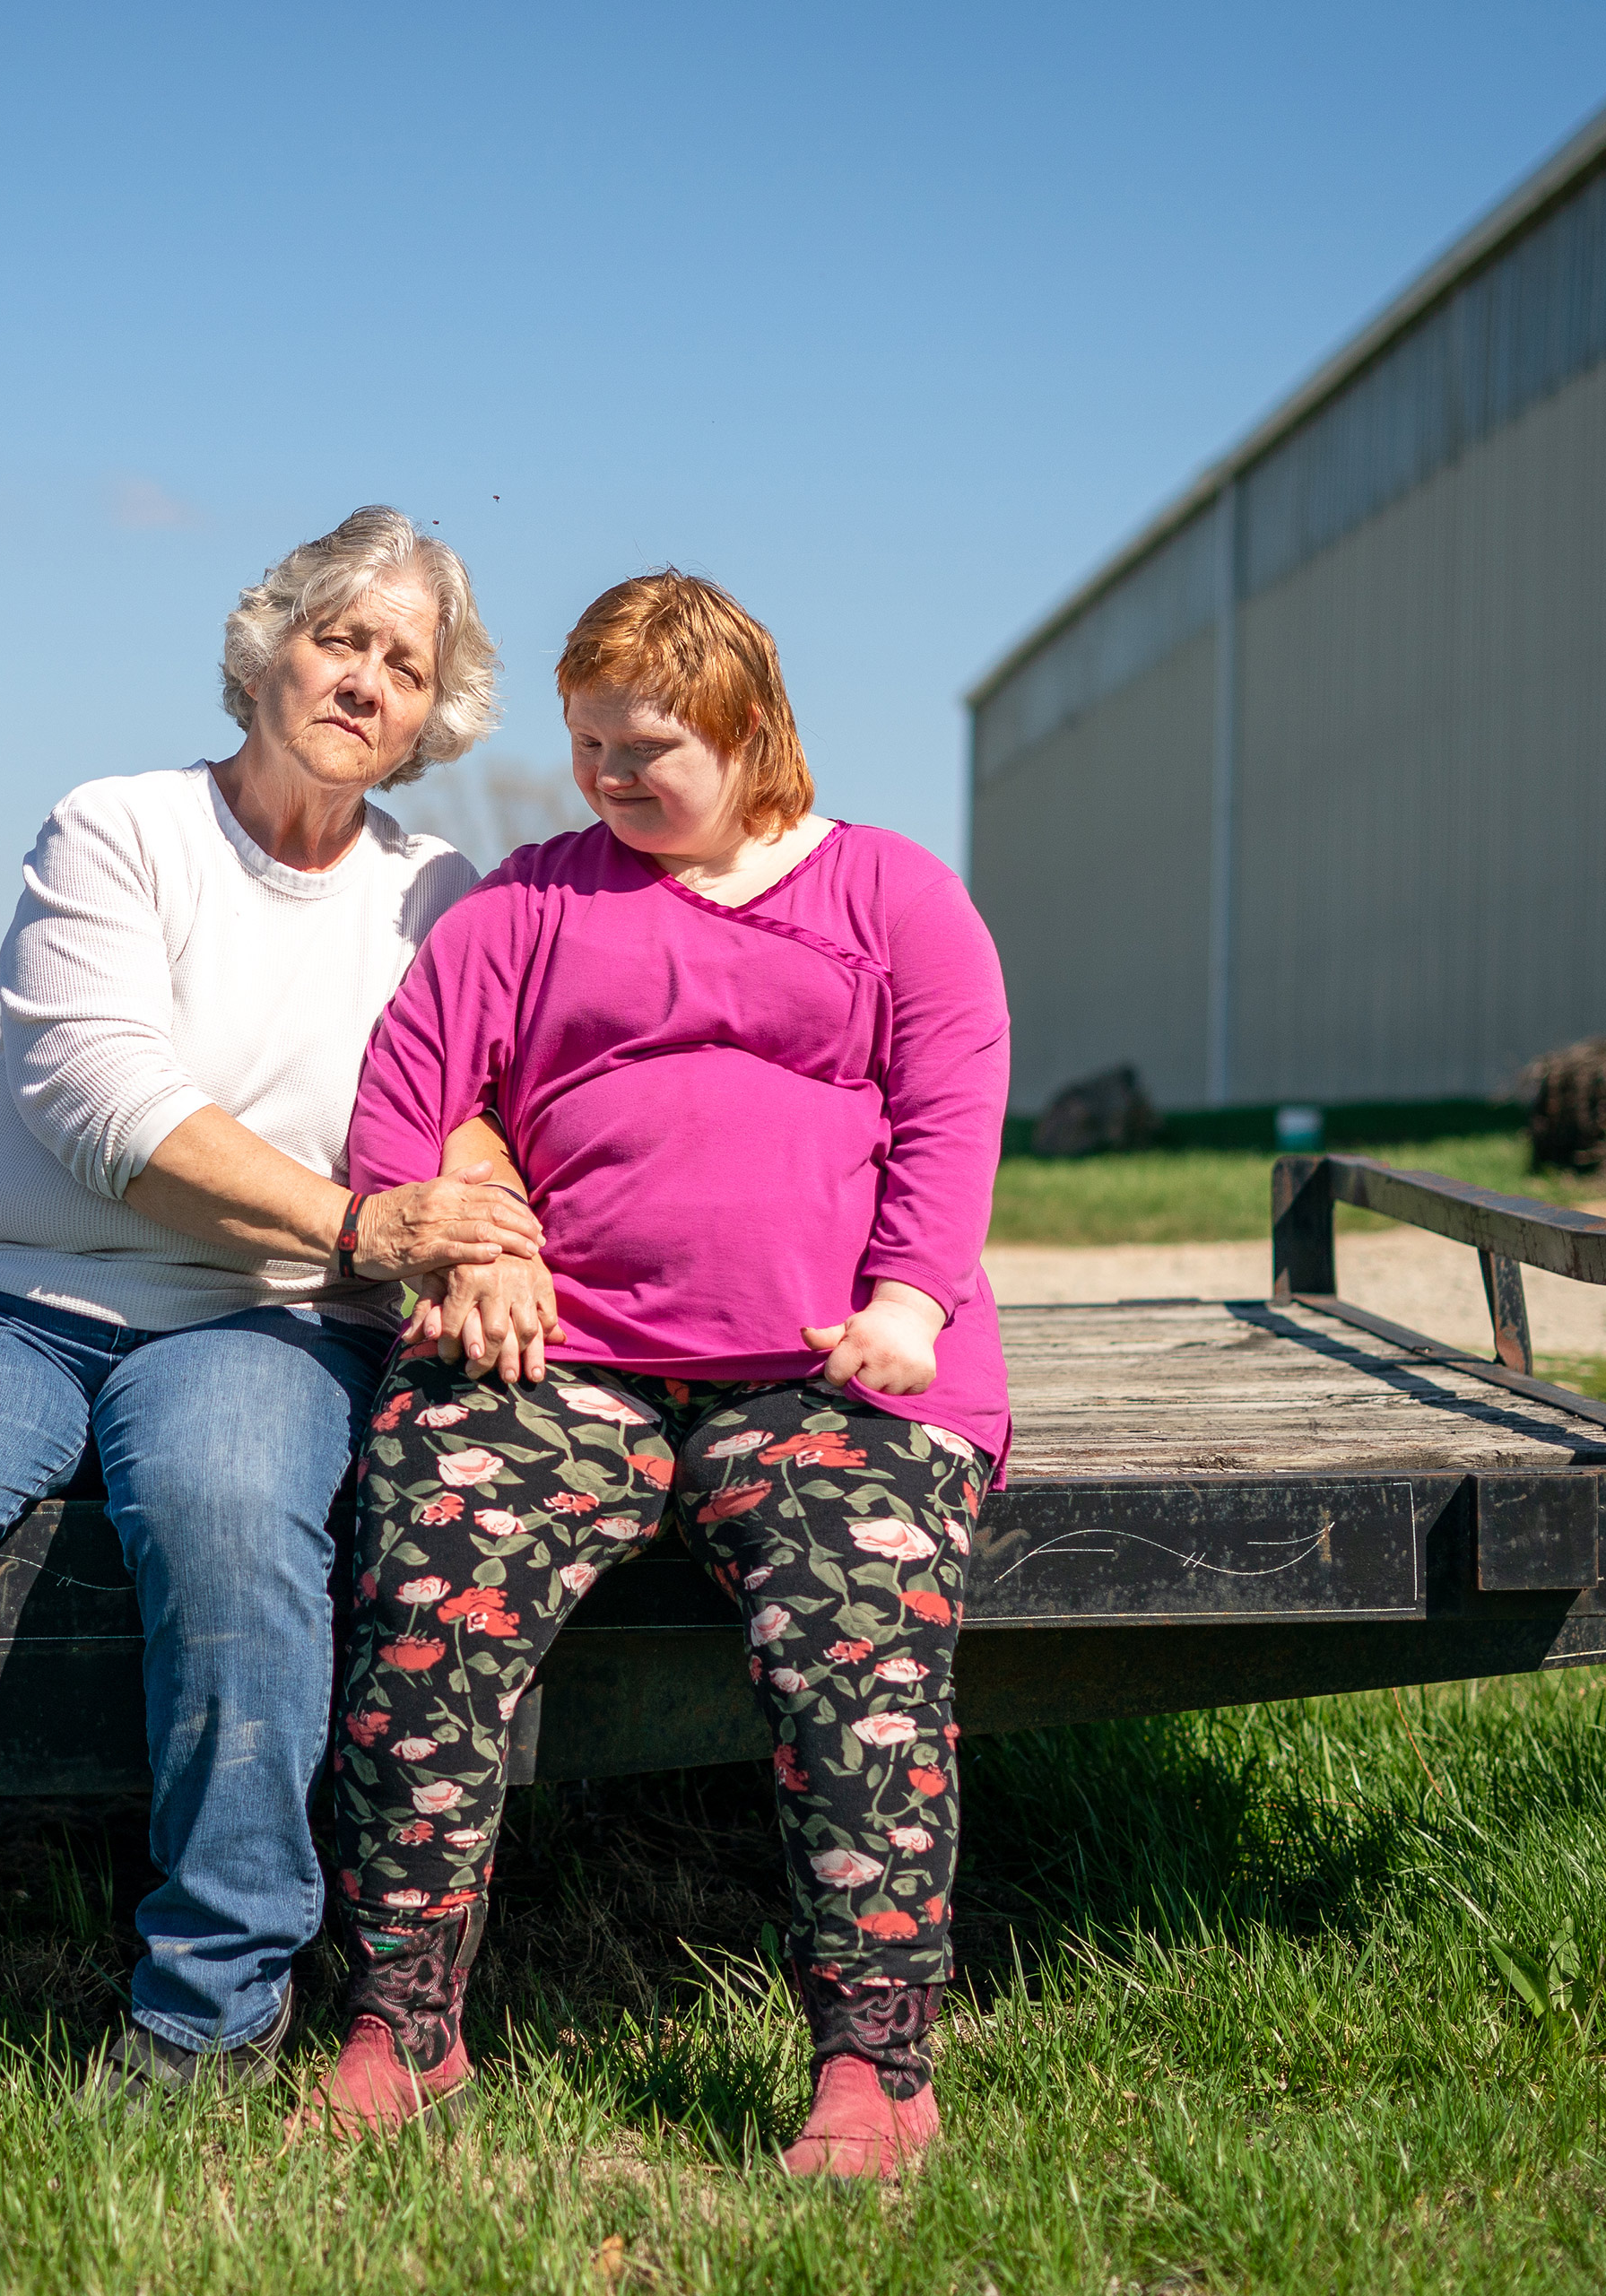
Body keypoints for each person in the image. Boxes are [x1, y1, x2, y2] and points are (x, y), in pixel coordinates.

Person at [0, 506, 542, 2136]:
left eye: (406, 664)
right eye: (343, 637)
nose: (364, 679)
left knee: (235, 1515)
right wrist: (358, 1223)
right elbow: (103, 1096)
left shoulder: (441, 891)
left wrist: (470, 1218)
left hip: (265, 1316)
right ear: (270, 645)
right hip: (25, 1293)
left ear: (430, 717)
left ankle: (212, 2006)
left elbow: (476, 1096)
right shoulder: (117, 826)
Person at [316, 570, 1011, 2179]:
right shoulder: (526, 910)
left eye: (651, 745)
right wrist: (474, 1246)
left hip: (835, 1370)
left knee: (853, 1644)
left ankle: (878, 2062)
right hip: (577, 1365)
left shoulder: (892, 894)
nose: (615, 776)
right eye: (589, 743)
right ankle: (404, 2021)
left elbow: (954, 1106)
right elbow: (401, 1110)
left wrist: (908, 1298)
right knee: (430, 1589)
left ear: (749, 732)